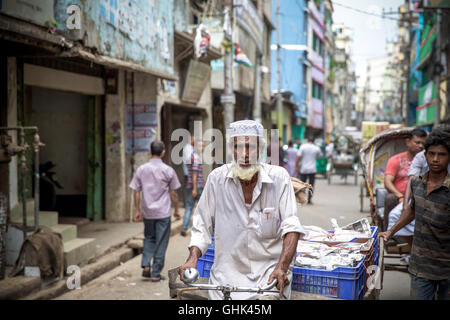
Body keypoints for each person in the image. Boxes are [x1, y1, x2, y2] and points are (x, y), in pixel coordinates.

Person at [178, 120, 305, 300]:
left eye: (250, 147)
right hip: (226, 277)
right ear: (231, 149)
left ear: (260, 149)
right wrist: (193, 258)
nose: (244, 154)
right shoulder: (217, 179)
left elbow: (291, 227)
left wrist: (282, 267)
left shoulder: (279, 178)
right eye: (238, 147)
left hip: (268, 277)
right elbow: (202, 225)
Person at [380, 129, 450, 300]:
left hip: (446, 268)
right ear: (425, 155)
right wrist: (390, 232)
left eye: (441, 155)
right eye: (431, 154)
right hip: (420, 266)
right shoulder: (417, 183)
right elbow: (411, 211)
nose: (435, 159)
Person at [129, 141, 181, 282]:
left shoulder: (141, 169)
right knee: (161, 242)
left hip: (147, 212)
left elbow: (136, 191)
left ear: (149, 151)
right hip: (163, 212)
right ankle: (156, 273)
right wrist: (176, 210)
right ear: (163, 152)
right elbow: (173, 193)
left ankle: (146, 265)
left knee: (149, 238)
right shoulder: (168, 170)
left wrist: (137, 210)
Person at [383, 128, 427, 233]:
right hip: (400, 196)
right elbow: (387, 181)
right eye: (417, 142)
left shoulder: (426, 159)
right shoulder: (396, 160)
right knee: (390, 198)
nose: (420, 146)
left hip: (420, 195)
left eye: (423, 143)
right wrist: (400, 196)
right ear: (408, 142)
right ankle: (388, 234)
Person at [181, 139, 205, 236]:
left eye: (203, 146)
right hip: (197, 186)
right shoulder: (196, 158)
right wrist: (195, 189)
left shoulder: (192, 157)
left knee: (189, 206)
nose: (202, 148)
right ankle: (200, 228)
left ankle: (185, 226)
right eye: (200, 146)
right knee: (202, 207)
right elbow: (194, 174)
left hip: (190, 185)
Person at [295, 137, 322, 204]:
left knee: (302, 185)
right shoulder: (316, 148)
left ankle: (302, 198)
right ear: (313, 141)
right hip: (312, 169)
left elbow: (298, 157)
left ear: (307, 141)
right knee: (311, 185)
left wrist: (296, 166)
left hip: (303, 169)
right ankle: (309, 200)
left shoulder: (303, 147)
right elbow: (320, 156)